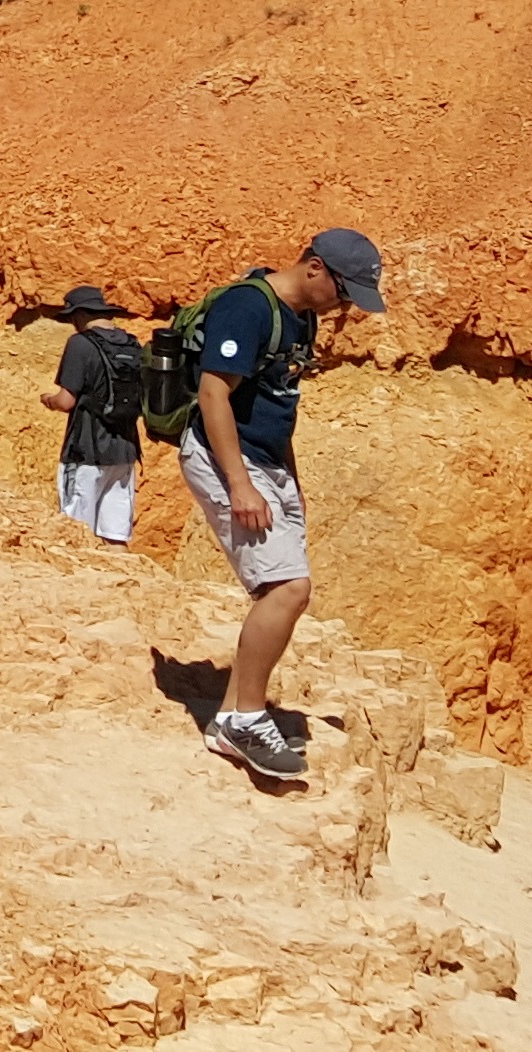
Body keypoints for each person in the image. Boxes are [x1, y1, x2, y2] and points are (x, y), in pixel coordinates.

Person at [182, 225, 381, 782]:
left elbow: (278, 402)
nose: (345, 306)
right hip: (229, 459)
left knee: (286, 589)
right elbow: (213, 393)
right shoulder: (249, 307)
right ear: (315, 267)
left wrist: (289, 482)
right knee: (287, 588)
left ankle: (233, 712)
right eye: (344, 291)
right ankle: (242, 721)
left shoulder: (303, 318)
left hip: (270, 464)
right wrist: (240, 484)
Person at [36, 285, 148, 548]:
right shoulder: (132, 344)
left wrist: (48, 401)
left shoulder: (80, 343)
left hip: (86, 452)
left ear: (80, 315)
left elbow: (66, 401)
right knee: (116, 537)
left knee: (75, 536)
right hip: (125, 452)